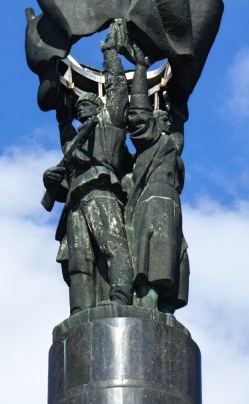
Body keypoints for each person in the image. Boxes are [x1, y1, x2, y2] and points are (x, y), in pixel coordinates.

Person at [43, 20, 135, 313]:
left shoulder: (109, 124)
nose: (81, 106)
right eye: (78, 105)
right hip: (75, 201)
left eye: (87, 103)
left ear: (99, 107)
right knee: (79, 259)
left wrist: (110, 53)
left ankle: (121, 296)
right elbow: (62, 121)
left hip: (101, 191)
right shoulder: (73, 142)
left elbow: (117, 89)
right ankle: (79, 310)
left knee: (112, 244)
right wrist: (51, 179)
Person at [122, 40, 189, 313]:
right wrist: (140, 69)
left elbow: (178, 128)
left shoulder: (171, 148)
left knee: (173, 256)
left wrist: (180, 96)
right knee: (152, 257)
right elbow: (139, 111)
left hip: (171, 205)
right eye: (160, 118)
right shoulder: (153, 143)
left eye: (166, 119)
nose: (165, 121)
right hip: (153, 202)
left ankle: (163, 307)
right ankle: (148, 302)